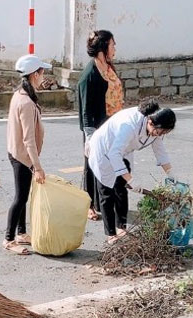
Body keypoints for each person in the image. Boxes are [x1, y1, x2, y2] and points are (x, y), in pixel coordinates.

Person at [88, 99, 177, 244]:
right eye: (160, 131)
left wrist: (171, 173)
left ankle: (121, 227)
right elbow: (114, 154)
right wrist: (131, 180)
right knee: (107, 193)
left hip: (123, 151)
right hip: (104, 150)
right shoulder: (129, 125)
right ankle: (111, 233)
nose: (159, 135)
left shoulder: (155, 129)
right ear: (150, 122)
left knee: (121, 190)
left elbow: (160, 152)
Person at [4, 54, 51, 255]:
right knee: (20, 198)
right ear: (34, 74)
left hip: (17, 153)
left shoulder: (20, 95)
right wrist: (37, 167)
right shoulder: (26, 103)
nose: (43, 76)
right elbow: (28, 140)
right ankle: (8, 239)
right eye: (41, 73)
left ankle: (22, 233)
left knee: (23, 195)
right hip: (22, 156)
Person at [78, 30, 124, 221]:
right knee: (91, 164)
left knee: (107, 162)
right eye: (112, 44)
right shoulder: (90, 75)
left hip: (112, 124)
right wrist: (90, 136)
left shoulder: (108, 66)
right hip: (96, 127)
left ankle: (102, 200)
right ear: (103, 48)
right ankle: (88, 203)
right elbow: (86, 108)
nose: (114, 48)